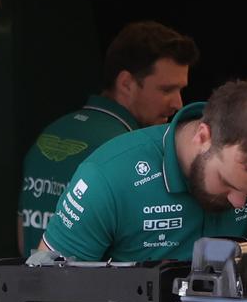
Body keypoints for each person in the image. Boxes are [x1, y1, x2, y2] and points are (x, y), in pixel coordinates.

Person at [38, 80, 247, 286]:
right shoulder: (107, 175)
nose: (239, 202)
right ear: (203, 137)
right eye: (227, 182)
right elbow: (42, 284)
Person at [18, 21, 198, 256]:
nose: (178, 104)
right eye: (166, 90)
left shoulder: (51, 132)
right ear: (126, 83)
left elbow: (23, 237)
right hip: (84, 288)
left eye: (180, 90)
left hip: (30, 282)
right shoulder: (124, 153)